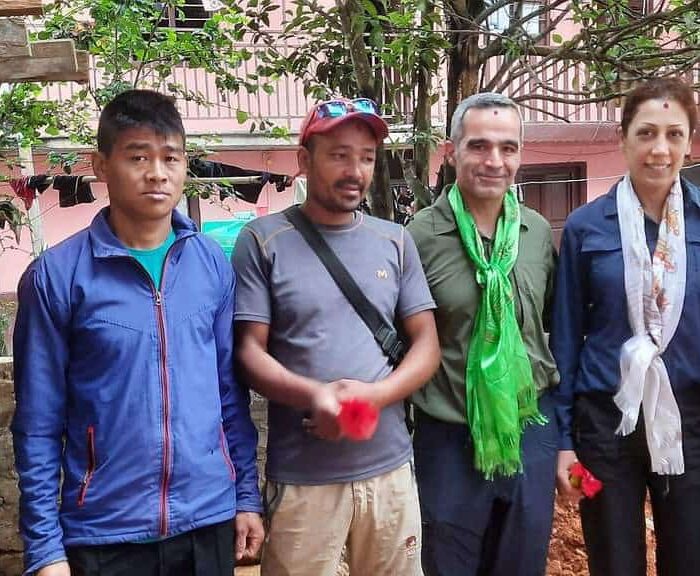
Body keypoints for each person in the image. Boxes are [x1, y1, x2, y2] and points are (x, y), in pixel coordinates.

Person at [12, 89, 264, 576]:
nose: (157, 173)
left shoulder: (210, 263)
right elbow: (37, 424)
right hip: (105, 531)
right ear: (101, 165)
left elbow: (229, 394)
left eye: (170, 157)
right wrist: (45, 549)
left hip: (207, 521)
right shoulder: (57, 277)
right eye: (138, 156)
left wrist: (246, 497)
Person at [233, 97, 440, 576]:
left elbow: (426, 344)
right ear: (304, 160)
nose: (355, 170)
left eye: (366, 157)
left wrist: (372, 397)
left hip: (389, 471)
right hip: (304, 479)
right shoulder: (263, 241)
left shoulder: (396, 240)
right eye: (339, 155)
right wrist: (316, 396)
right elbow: (248, 351)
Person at [407, 92, 560, 576]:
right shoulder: (418, 237)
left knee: (521, 563)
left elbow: (551, 330)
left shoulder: (537, 234)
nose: (494, 161)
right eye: (479, 146)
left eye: (508, 147)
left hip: (529, 430)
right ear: (451, 152)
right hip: (449, 436)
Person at [552, 78, 700, 576]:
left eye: (675, 134)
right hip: (602, 431)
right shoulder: (585, 227)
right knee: (612, 561)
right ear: (623, 138)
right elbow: (567, 339)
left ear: (688, 141)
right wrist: (564, 444)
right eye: (647, 133)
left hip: (692, 424)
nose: (660, 149)